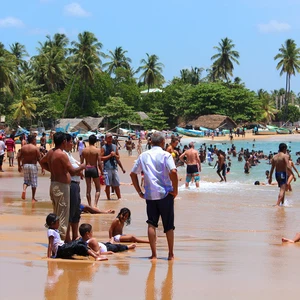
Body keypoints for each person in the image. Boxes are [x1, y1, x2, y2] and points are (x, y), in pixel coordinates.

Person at [130, 131, 178, 260]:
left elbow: (133, 174)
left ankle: (154, 254)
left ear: (151, 142)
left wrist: (139, 191)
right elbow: (173, 171)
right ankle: (170, 254)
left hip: (150, 195)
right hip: (165, 194)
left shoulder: (144, 155)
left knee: (152, 224)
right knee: (168, 225)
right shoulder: (166, 155)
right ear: (163, 143)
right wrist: (175, 190)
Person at [40, 132, 86, 240]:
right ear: (64, 141)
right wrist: (83, 166)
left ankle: (57, 239)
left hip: (54, 184)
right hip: (61, 186)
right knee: (62, 216)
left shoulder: (51, 152)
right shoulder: (62, 154)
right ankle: (61, 241)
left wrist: (53, 170)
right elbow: (73, 171)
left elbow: (42, 162)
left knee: (57, 213)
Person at [64, 134, 83, 242]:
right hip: (71, 183)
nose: (72, 144)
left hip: (76, 183)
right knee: (70, 211)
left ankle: (75, 235)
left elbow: (76, 165)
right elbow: (73, 168)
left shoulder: (69, 154)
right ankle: (67, 237)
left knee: (76, 210)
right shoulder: (64, 155)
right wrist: (82, 167)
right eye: (71, 142)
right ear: (65, 142)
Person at [80, 134, 103, 207]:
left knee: (88, 189)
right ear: (95, 142)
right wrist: (102, 172)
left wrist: (80, 172)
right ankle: (95, 205)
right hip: (94, 168)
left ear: (88, 141)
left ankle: (89, 205)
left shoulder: (84, 150)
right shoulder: (97, 150)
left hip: (87, 169)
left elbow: (81, 163)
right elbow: (99, 163)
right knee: (98, 188)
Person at [17, 135, 41, 202]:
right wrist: (42, 167)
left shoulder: (23, 148)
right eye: (35, 140)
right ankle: (33, 198)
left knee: (26, 181)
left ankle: (24, 190)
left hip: (25, 165)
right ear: (33, 140)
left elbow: (18, 157)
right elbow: (39, 158)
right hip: (33, 165)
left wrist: (19, 166)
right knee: (34, 182)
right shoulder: (35, 148)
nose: (36, 141)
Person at [101, 133, 123, 200]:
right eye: (108, 137)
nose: (110, 139)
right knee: (108, 185)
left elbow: (118, 157)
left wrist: (114, 155)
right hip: (107, 168)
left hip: (114, 167)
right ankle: (108, 199)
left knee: (117, 184)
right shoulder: (103, 148)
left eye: (111, 137)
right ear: (106, 139)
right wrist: (109, 156)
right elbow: (101, 158)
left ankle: (119, 198)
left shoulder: (114, 146)